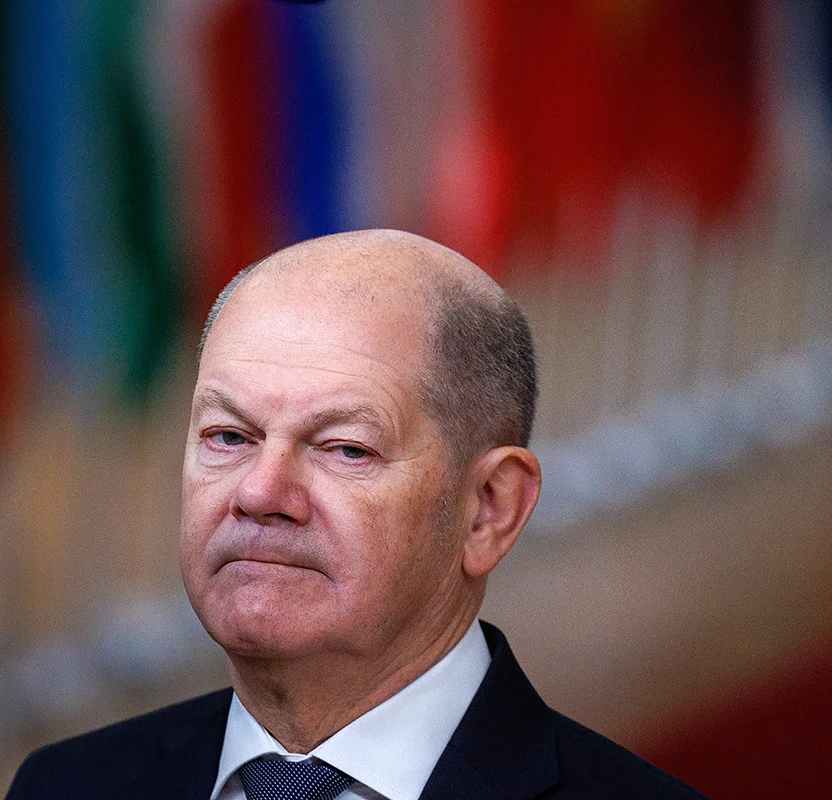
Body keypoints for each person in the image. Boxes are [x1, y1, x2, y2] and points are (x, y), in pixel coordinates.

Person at [6, 230, 706, 800]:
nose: (260, 492)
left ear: (488, 510)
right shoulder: (63, 787)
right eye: (229, 437)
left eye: (345, 449)